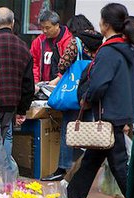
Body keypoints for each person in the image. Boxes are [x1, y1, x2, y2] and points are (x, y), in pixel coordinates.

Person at [67, 3, 134, 198]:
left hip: (108, 118)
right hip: (118, 115)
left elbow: (99, 85)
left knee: (119, 166)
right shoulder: (126, 49)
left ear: (105, 24)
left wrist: (87, 99)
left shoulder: (109, 51)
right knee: (92, 161)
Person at [42, 15, 103, 181]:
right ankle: (82, 168)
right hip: (91, 91)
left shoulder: (76, 42)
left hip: (75, 92)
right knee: (86, 129)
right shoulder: (100, 42)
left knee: (69, 129)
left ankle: (64, 167)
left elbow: (63, 64)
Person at [0, 7, 34, 181]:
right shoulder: (23, 46)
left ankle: (6, 176)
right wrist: (22, 110)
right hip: (12, 103)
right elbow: (28, 83)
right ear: (12, 23)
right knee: (6, 136)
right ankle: (5, 178)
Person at [30, 10, 72, 87]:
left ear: (57, 25)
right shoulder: (38, 42)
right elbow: (33, 63)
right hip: (42, 86)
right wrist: (35, 81)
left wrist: (58, 79)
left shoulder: (69, 41)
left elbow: (71, 66)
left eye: (47, 27)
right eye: (42, 28)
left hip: (62, 85)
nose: (44, 31)